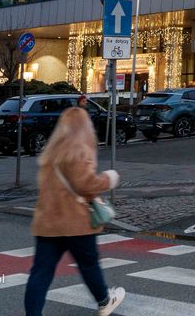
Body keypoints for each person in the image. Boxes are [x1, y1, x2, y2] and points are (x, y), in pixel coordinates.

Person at [25, 107, 125, 316]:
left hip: (48, 223)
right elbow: (85, 184)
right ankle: (104, 301)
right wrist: (109, 178)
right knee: (89, 265)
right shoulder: (78, 152)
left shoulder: (51, 153)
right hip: (75, 223)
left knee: (41, 273)